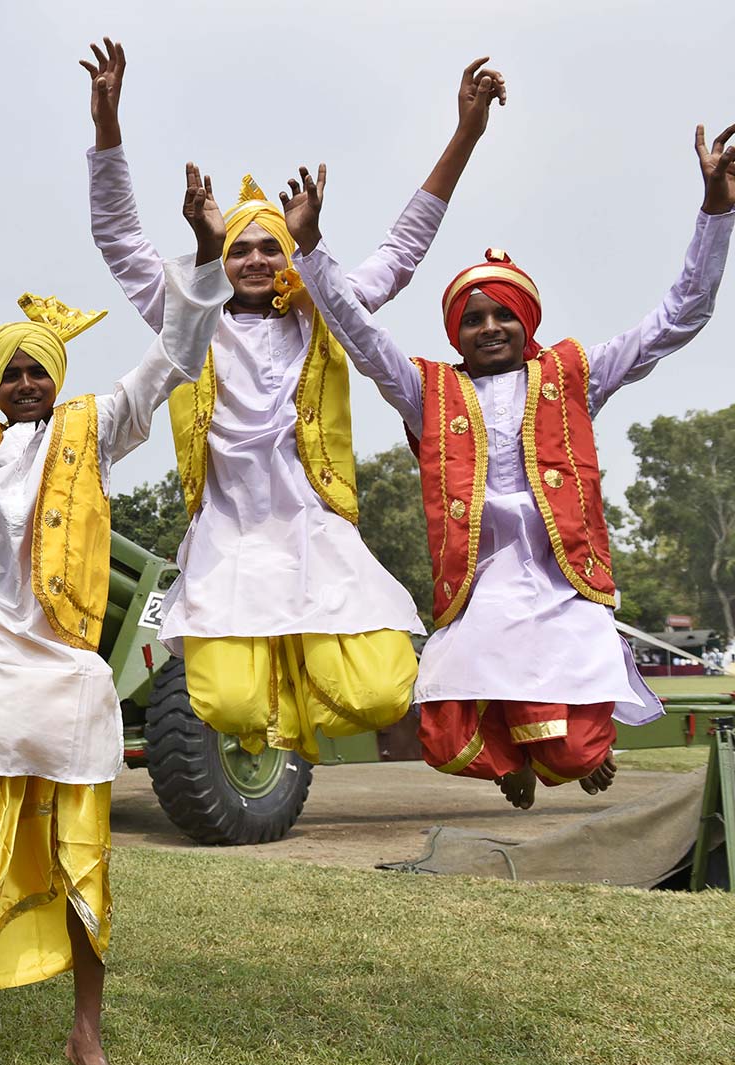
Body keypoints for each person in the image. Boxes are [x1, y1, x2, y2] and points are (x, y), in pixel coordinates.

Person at [0, 152, 228, 1065]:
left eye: (38, 371)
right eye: (13, 372)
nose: (26, 382)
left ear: (57, 376)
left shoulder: (95, 426)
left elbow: (175, 360)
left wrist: (203, 251)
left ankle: (86, 1034)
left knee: (84, 853)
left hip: (70, 670)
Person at [282, 122, 735, 808]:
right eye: (473, 319)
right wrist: (312, 250)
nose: (488, 328)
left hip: (565, 583)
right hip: (480, 583)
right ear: (455, 332)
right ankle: (509, 763)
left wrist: (716, 210)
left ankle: (566, 756)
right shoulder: (428, 392)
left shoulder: (574, 374)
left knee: (577, 746)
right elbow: (361, 335)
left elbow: (682, 314)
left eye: (502, 316)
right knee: (441, 724)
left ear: (527, 321)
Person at [82, 39, 508, 761]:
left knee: (379, 691)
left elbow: (403, 250)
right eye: (239, 249)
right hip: (226, 535)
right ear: (220, 257)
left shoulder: (325, 311)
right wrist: (107, 123)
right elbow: (119, 238)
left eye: (270, 248)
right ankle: (272, 723)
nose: (254, 261)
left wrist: (464, 133)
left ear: (292, 255)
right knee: (228, 702)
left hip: (314, 525)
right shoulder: (190, 315)